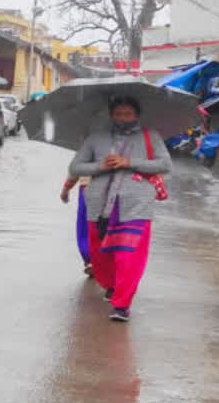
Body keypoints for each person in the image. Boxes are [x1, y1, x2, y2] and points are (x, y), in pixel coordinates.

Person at [69, 95, 171, 322]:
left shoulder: (149, 136)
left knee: (130, 255)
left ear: (136, 115)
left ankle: (122, 304)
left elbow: (165, 164)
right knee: (102, 255)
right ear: (111, 114)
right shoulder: (96, 138)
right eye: (118, 114)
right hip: (99, 205)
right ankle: (112, 285)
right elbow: (75, 166)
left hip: (136, 204)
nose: (123, 118)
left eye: (128, 114)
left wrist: (129, 162)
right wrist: (100, 165)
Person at [61, 175, 93, 277]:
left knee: (85, 227)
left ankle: (91, 261)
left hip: (89, 187)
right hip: (110, 186)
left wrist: (66, 189)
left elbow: (77, 167)